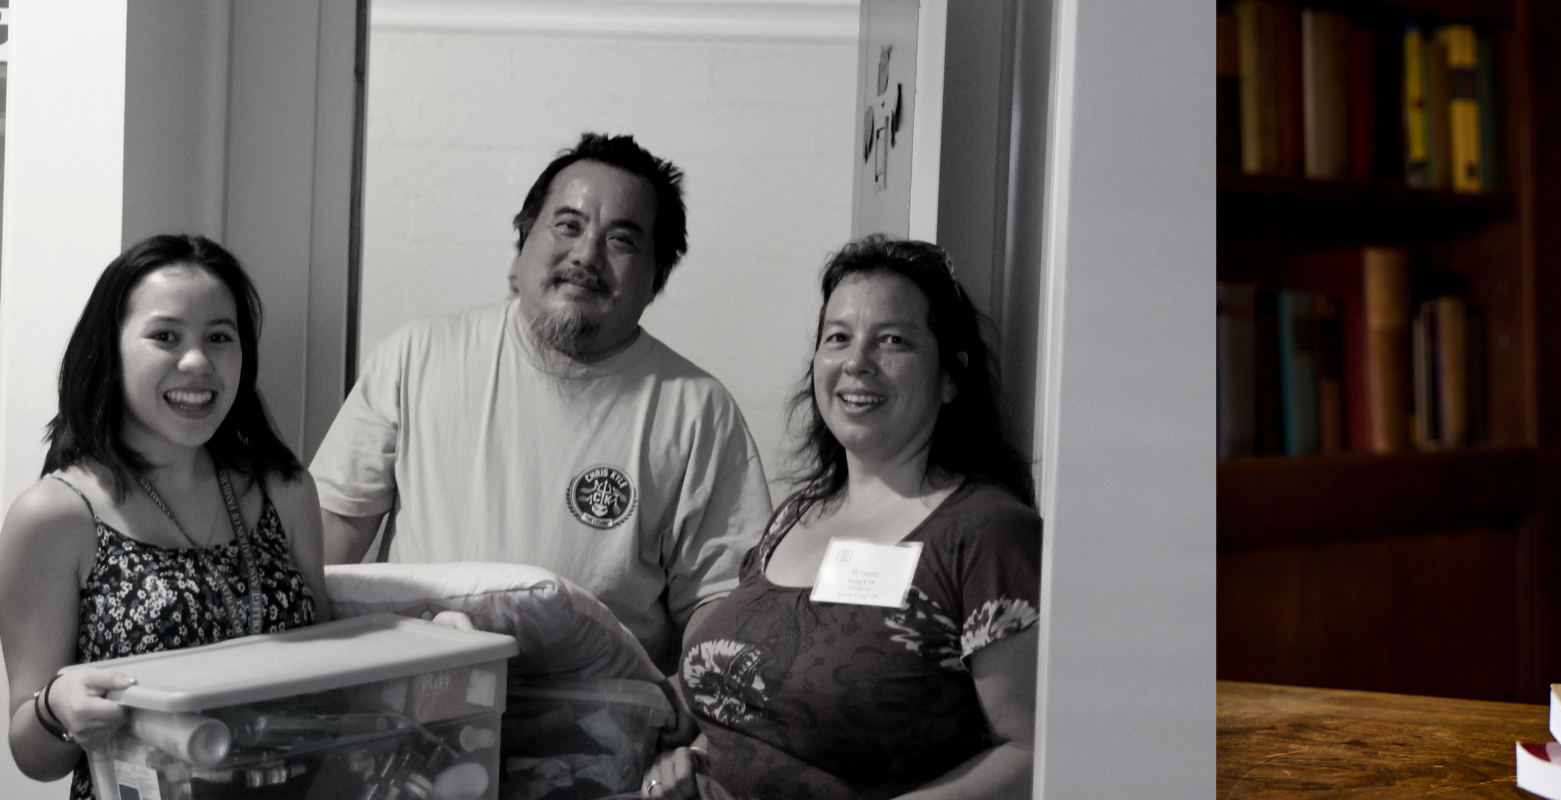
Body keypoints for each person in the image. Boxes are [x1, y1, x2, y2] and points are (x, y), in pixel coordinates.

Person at [311, 132, 771, 675]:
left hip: (601, 726)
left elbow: (718, 602)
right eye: (568, 225)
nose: (586, 254)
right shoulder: (418, 356)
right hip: (423, 704)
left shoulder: (698, 411)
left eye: (621, 240)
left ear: (656, 277)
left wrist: (688, 717)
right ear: (525, 239)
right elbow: (331, 531)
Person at [635, 236, 1041, 800]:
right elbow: (759, 712)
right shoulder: (794, 517)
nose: (856, 362)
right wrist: (694, 762)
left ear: (951, 376)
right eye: (838, 338)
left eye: (892, 340)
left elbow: (1031, 752)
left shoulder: (987, 534)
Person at [0, 235, 336, 798]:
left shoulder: (284, 488)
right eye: (165, 336)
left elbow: (336, 679)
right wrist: (57, 710)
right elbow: (33, 757)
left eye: (219, 337)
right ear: (110, 351)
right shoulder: (56, 516)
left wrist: (428, 635)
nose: (198, 362)